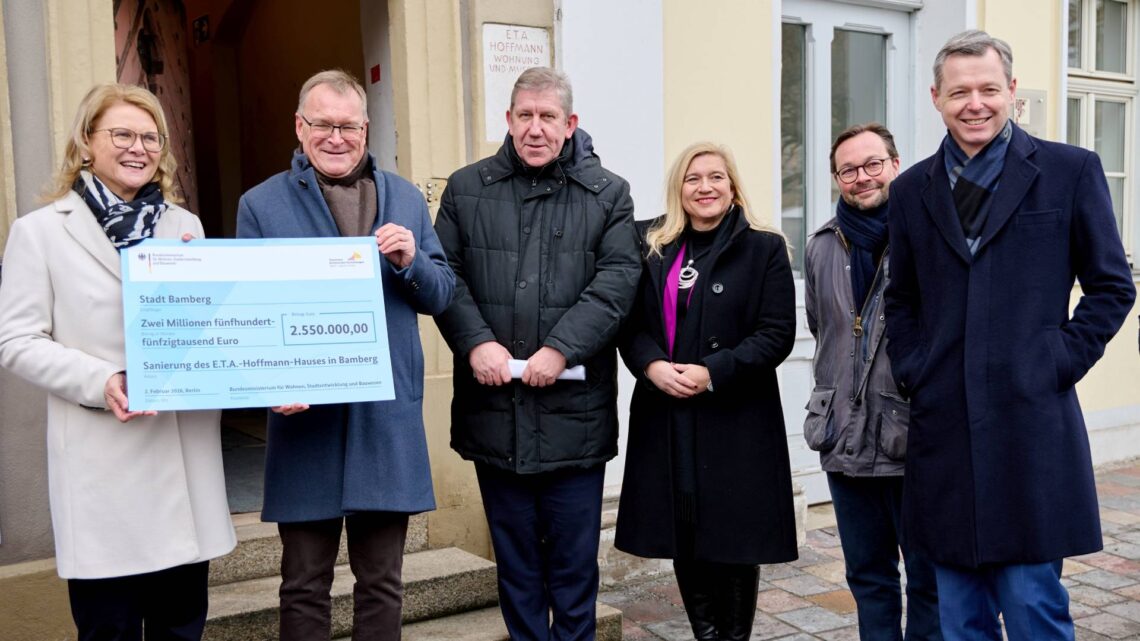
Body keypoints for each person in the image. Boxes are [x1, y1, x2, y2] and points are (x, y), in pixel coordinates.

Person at [884, 30, 1136, 641]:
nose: (976, 103)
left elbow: (1112, 287)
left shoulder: (1069, 170)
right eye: (960, 92)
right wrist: (919, 367)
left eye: (989, 89)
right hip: (945, 429)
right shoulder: (911, 189)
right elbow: (903, 299)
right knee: (958, 617)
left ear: (1013, 92)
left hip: (1030, 426)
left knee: (1033, 609)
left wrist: (1055, 359)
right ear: (936, 98)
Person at [0, 83, 236, 640]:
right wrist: (100, 378)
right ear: (86, 143)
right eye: (122, 134)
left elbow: (214, 334)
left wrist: (268, 376)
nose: (139, 147)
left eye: (150, 136)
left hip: (182, 460)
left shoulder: (185, 228)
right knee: (111, 630)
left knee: (181, 627)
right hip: (104, 467)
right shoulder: (40, 233)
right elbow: (15, 340)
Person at [236, 69, 454, 641]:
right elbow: (247, 308)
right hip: (305, 421)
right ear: (300, 127)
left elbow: (443, 293)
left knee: (383, 582)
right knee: (304, 582)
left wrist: (413, 261)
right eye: (323, 124)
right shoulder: (260, 204)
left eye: (349, 125)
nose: (337, 137)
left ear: (366, 128)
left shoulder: (405, 197)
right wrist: (267, 384)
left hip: (385, 420)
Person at [433, 66, 640, 641]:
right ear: (508, 119)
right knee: (517, 567)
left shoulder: (609, 195)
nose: (535, 128)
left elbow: (618, 281)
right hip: (495, 415)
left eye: (548, 117)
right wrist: (475, 342)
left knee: (574, 570)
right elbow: (444, 275)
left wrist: (561, 348)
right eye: (524, 115)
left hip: (574, 420)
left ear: (570, 124)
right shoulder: (466, 188)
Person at [615, 142, 798, 641]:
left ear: (733, 185)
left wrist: (713, 370)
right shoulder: (650, 244)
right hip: (667, 411)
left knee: (733, 535)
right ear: (679, 188)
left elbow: (776, 332)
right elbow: (629, 325)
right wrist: (651, 366)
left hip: (736, 416)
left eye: (716, 177)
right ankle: (706, 635)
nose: (705, 187)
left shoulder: (764, 248)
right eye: (693, 178)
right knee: (684, 530)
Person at [803, 123, 941, 641]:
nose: (862, 178)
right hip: (844, 437)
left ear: (895, 165)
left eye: (872, 165)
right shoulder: (821, 247)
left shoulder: (926, 240)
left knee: (929, 581)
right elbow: (826, 331)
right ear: (836, 178)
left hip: (915, 439)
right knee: (867, 577)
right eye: (848, 170)